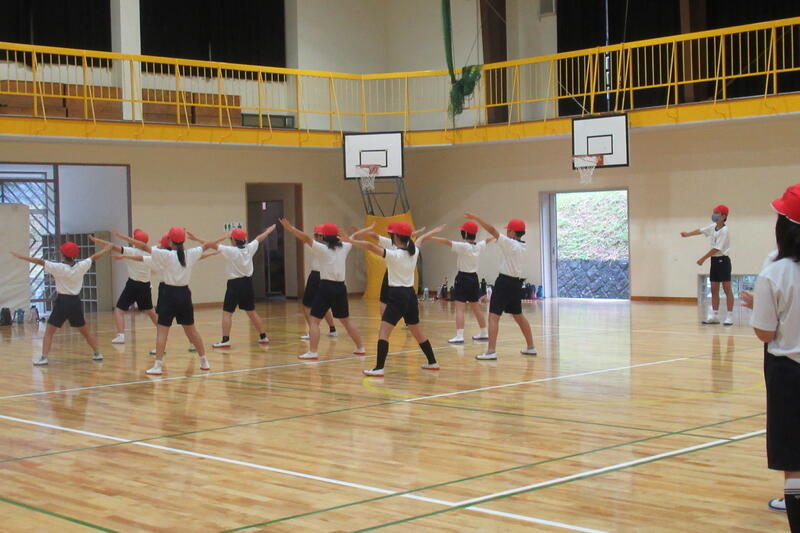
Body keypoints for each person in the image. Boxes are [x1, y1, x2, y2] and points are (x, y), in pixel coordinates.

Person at [741, 184, 800, 531]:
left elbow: (765, 332)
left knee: (793, 455)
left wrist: (761, 306)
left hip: (789, 372)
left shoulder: (775, 271)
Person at [344, 223, 442, 376]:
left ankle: (379, 368)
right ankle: (432, 362)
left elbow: (370, 246)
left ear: (395, 237)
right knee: (417, 331)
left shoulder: (394, 255)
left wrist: (351, 241)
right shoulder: (414, 250)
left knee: (383, 332)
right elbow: (420, 239)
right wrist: (433, 231)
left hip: (397, 295)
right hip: (410, 295)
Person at [128, 226, 215, 375]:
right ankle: (204, 361)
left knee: (162, 332)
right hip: (184, 295)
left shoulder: (165, 255)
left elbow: (144, 247)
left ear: (170, 241)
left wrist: (124, 239)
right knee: (192, 331)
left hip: (168, 294)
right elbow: (207, 245)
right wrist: (219, 239)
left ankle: (158, 366)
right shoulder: (190, 254)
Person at [11, 240, 113, 365]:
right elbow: (94, 257)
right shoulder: (82, 266)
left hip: (62, 302)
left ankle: (44, 357)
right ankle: (97, 353)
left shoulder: (58, 267)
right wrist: (106, 249)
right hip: (75, 302)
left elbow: (40, 262)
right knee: (85, 332)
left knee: (49, 332)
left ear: (63, 254)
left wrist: (21, 257)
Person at [280, 219, 365, 360]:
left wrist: (291, 229)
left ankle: (313, 352)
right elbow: (352, 239)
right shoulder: (345, 247)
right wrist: (353, 234)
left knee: (314, 321)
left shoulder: (322, 249)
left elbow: (306, 238)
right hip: (340, 288)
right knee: (346, 321)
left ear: (324, 236)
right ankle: (360, 347)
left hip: (326, 287)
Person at [186, 226, 274, 348]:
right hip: (247, 283)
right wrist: (268, 231)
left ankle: (225, 340)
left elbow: (210, 244)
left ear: (233, 240)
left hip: (234, 284)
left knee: (227, 312)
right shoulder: (250, 247)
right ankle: (263, 337)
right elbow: (259, 238)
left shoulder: (230, 251)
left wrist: (196, 239)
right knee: (251, 312)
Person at [464, 213, 536, 360]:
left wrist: (477, 218)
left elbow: (492, 230)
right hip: (516, 284)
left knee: (493, 316)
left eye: (508, 230)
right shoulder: (522, 246)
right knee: (518, 316)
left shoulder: (511, 244)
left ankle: (491, 352)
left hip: (504, 283)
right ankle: (531, 347)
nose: (506, 232)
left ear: (513, 232)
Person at [423, 220, 491, 343]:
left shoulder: (463, 246)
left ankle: (460, 336)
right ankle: (484, 332)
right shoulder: (479, 246)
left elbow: (447, 242)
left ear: (465, 233)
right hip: (474, 279)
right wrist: (497, 236)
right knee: (476, 308)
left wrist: (431, 237)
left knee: (459, 309)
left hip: (463, 279)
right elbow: (487, 240)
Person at [88, 230, 157, 344]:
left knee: (119, 310)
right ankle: (163, 330)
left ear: (135, 241)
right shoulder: (151, 252)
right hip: (145, 286)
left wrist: (95, 240)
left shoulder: (129, 251)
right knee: (151, 312)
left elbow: (110, 245)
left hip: (132, 285)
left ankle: (121, 336)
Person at [681, 205, 734, 325]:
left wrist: (703, 259)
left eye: (717, 213)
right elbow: (701, 230)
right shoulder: (713, 227)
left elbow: (717, 249)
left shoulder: (724, 231)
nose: (714, 215)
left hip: (723, 261)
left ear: (723, 216)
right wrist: (687, 234)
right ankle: (715, 316)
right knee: (714, 289)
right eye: (714, 212)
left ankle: (730, 316)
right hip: (714, 261)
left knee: (727, 289)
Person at [300, 225, 337, 340]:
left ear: (324, 236)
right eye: (315, 235)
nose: (316, 237)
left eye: (318, 235)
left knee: (306, 305)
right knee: (324, 305)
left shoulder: (318, 247)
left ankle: (312, 331)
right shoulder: (334, 247)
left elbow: (306, 241)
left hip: (317, 276)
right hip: (324, 277)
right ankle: (332, 329)